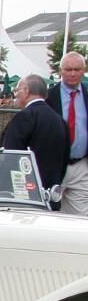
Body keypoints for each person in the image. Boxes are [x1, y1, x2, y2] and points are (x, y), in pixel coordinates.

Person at [0, 74, 67, 197]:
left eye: (17, 90)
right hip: (49, 190)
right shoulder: (59, 120)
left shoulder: (24, 117)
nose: (15, 95)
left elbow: (10, 155)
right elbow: (64, 159)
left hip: (26, 190)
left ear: (26, 91)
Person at [46, 51, 88, 215]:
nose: (72, 73)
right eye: (68, 69)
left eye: (77, 69)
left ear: (83, 70)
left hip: (81, 166)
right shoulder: (49, 97)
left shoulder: (86, 95)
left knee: (81, 218)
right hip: (55, 165)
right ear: (60, 71)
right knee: (49, 212)